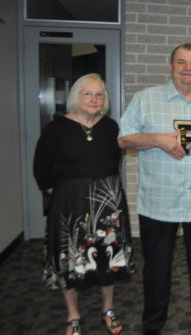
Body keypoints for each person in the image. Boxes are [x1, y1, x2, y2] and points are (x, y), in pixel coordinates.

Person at [118, 43, 191, 335]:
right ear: (170, 67)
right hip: (158, 201)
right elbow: (124, 139)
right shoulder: (146, 99)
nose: (188, 68)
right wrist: (158, 139)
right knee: (156, 267)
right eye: (181, 62)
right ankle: (153, 322)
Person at [33, 73, 134, 335]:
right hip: (69, 205)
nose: (94, 98)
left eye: (99, 94)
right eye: (87, 93)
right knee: (70, 260)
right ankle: (73, 314)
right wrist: (62, 192)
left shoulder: (111, 127)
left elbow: (114, 162)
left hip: (107, 203)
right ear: (75, 96)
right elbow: (41, 169)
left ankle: (108, 309)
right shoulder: (56, 128)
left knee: (108, 258)